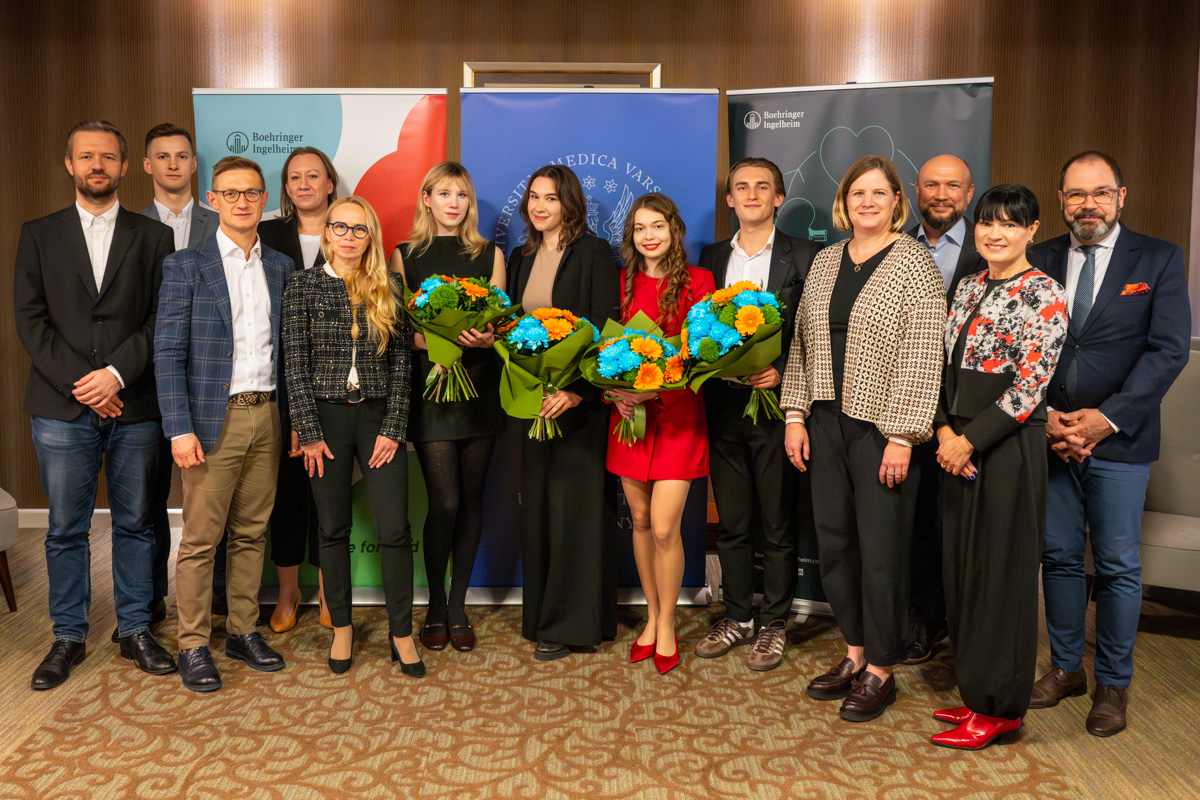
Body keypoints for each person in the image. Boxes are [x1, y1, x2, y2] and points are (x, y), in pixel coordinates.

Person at [1028, 151, 1191, 737]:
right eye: (1075, 194)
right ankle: (1067, 668)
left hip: (1121, 442)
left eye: (1099, 193)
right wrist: (1046, 418)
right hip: (1048, 438)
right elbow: (1022, 345)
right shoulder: (1039, 255)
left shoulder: (1160, 258)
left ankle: (1113, 685)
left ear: (1121, 196)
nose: (1087, 205)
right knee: (1060, 557)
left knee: (1118, 564)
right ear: (1062, 199)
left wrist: (1106, 419)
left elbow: (1168, 350)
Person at [781, 154, 944, 722]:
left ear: (897, 201)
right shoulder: (826, 261)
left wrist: (903, 435)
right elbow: (801, 345)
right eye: (858, 194)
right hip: (825, 421)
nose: (867, 202)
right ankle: (854, 653)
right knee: (835, 543)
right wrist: (795, 416)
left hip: (882, 427)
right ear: (843, 203)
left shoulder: (914, 263)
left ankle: (882, 667)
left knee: (881, 552)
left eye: (879, 193)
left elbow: (924, 354)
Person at [14, 120, 176, 690]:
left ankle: (134, 630)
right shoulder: (38, 234)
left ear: (126, 167)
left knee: (137, 523)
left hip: (134, 406)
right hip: (61, 408)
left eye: (108, 156)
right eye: (87, 157)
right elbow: (30, 322)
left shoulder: (153, 236)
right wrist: (85, 383)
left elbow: (161, 319)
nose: (98, 165)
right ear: (70, 165)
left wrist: (114, 375)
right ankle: (68, 637)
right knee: (64, 529)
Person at [930, 185, 1068, 750]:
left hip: (1006, 447)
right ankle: (976, 693)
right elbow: (941, 365)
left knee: (1002, 581)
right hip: (956, 438)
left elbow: (1031, 385)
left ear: (1032, 230)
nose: (995, 233)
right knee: (965, 576)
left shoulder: (1045, 293)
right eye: (987, 222)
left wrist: (968, 441)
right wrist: (943, 430)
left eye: (1010, 224)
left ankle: (1003, 710)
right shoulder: (967, 284)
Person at [155, 155, 290, 692]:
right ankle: (192, 643)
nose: (241, 201)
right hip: (213, 421)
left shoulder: (280, 267)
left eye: (252, 193)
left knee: (252, 532)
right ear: (213, 200)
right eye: (230, 193)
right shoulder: (186, 265)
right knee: (200, 539)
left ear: (264, 201)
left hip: (268, 415)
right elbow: (167, 354)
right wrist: (178, 428)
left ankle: (241, 630)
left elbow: (288, 351)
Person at [284, 196, 419, 676]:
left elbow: (404, 363)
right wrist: (310, 431)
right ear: (326, 233)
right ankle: (341, 627)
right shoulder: (301, 286)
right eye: (339, 227)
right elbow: (294, 365)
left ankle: (401, 633)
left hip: (379, 419)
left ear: (370, 237)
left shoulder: (392, 286)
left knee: (394, 529)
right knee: (332, 527)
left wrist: (395, 427)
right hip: (326, 422)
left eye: (358, 229)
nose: (347, 236)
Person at [695, 158, 820, 671]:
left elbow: (812, 335)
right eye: (740, 187)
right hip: (723, 408)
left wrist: (783, 374)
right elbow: (698, 330)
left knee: (777, 521)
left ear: (778, 196)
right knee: (733, 522)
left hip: (777, 411)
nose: (750, 194)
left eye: (761, 187)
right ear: (729, 200)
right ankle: (737, 615)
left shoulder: (806, 256)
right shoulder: (708, 256)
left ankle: (774, 624)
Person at [389, 161, 506, 653]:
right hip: (431, 390)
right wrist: (435, 344)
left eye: (462, 193)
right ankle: (434, 602)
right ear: (427, 199)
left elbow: (501, 322)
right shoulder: (404, 255)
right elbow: (396, 328)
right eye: (444, 193)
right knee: (447, 502)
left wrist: (483, 337)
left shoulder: (489, 253)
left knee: (473, 500)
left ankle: (457, 606)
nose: (454, 202)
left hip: (478, 388)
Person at [506, 164, 621, 661]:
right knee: (538, 514)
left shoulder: (594, 253)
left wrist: (577, 393)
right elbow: (515, 328)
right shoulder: (519, 256)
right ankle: (541, 618)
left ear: (569, 203)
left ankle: (573, 625)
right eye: (533, 197)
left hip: (576, 408)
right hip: (530, 402)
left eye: (550, 198)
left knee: (575, 513)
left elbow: (604, 331)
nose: (539, 206)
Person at [605, 193, 714, 676]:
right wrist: (614, 392)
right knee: (643, 521)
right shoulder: (622, 284)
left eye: (658, 227)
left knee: (667, 527)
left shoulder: (701, 282)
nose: (648, 236)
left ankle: (667, 623)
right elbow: (606, 355)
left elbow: (703, 358)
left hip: (678, 417)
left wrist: (652, 392)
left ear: (675, 230)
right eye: (639, 228)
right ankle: (651, 617)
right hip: (629, 418)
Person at [137, 122, 222, 635]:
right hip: (147, 385)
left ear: (195, 164)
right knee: (148, 507)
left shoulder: (225, 222)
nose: (172, 164)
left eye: (182, 155)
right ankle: (145, 610)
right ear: (146, 165)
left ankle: (215, 611)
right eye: (162, 156)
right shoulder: (131, 226)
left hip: (214, 389)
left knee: (213, 511)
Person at [902, 154, 987, 664]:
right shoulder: (893, 247)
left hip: (966, 419)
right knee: (909, 524)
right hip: (902, 411)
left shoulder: (992, 246)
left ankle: (957, 627)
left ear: (969, 192)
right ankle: (917, 621)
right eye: (931, 184)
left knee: (953, 525)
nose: (940, 194)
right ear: (915, 190)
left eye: (951, 186)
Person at [258, 146, 338, 633]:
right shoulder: (267, 235)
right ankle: (287, 593)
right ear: (285, 188)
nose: (304, 184)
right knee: (287, 494)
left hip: (338, 385)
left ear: (330, 182)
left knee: (329, 496)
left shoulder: (352, 228)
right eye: (294, 177)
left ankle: (332, 593)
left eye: (314, 175)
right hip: (280, 382)